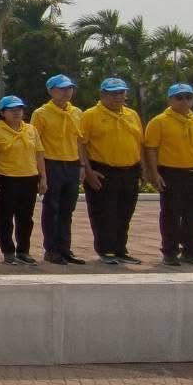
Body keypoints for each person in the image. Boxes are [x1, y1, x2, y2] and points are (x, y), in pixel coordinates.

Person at [143, 83, 193, 267]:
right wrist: (154, 173)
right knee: (171, 214)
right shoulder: (159, 122)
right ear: (170, 100)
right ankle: (170, 251)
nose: (184, 101)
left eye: (188, 97)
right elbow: (151, 149)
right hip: (172, 173)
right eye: (179, 97)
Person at [79, 76, 144, 265]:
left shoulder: (132, 115)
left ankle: (120, 249)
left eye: (121, 93)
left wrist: (143, 169)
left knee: (125, 212)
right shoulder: (90, 115)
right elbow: (81, 144)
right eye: (113, 93)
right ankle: (106, 250)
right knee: (104, 212)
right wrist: (88, 171)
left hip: (129, 170)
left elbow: (139, 143)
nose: (118, 97)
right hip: (103, 170)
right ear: (102, 94)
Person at [31, 74, 85, 265]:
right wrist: (41, 173)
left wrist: (82, 165)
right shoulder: (41, 113)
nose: (66, 92)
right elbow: (35, 143)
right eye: (61, 89)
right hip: (52, 164)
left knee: (67, 209)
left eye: (69, 88)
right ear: (51, 91)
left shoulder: (76, 112)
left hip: (72, 164)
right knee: (52, 208)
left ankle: (65, 248)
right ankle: (51, 250)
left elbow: (79, 141)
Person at [0, 95, 46, 265]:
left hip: (29, 177)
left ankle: (23, 251)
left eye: (19, 109)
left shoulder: (30, 129)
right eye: (11, 110)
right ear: (2, 113)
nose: (16, 113)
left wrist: (43, 177)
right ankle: (8, 251)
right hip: (6, 178)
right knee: (5, 217)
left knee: (26, 218)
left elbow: (39, 154)